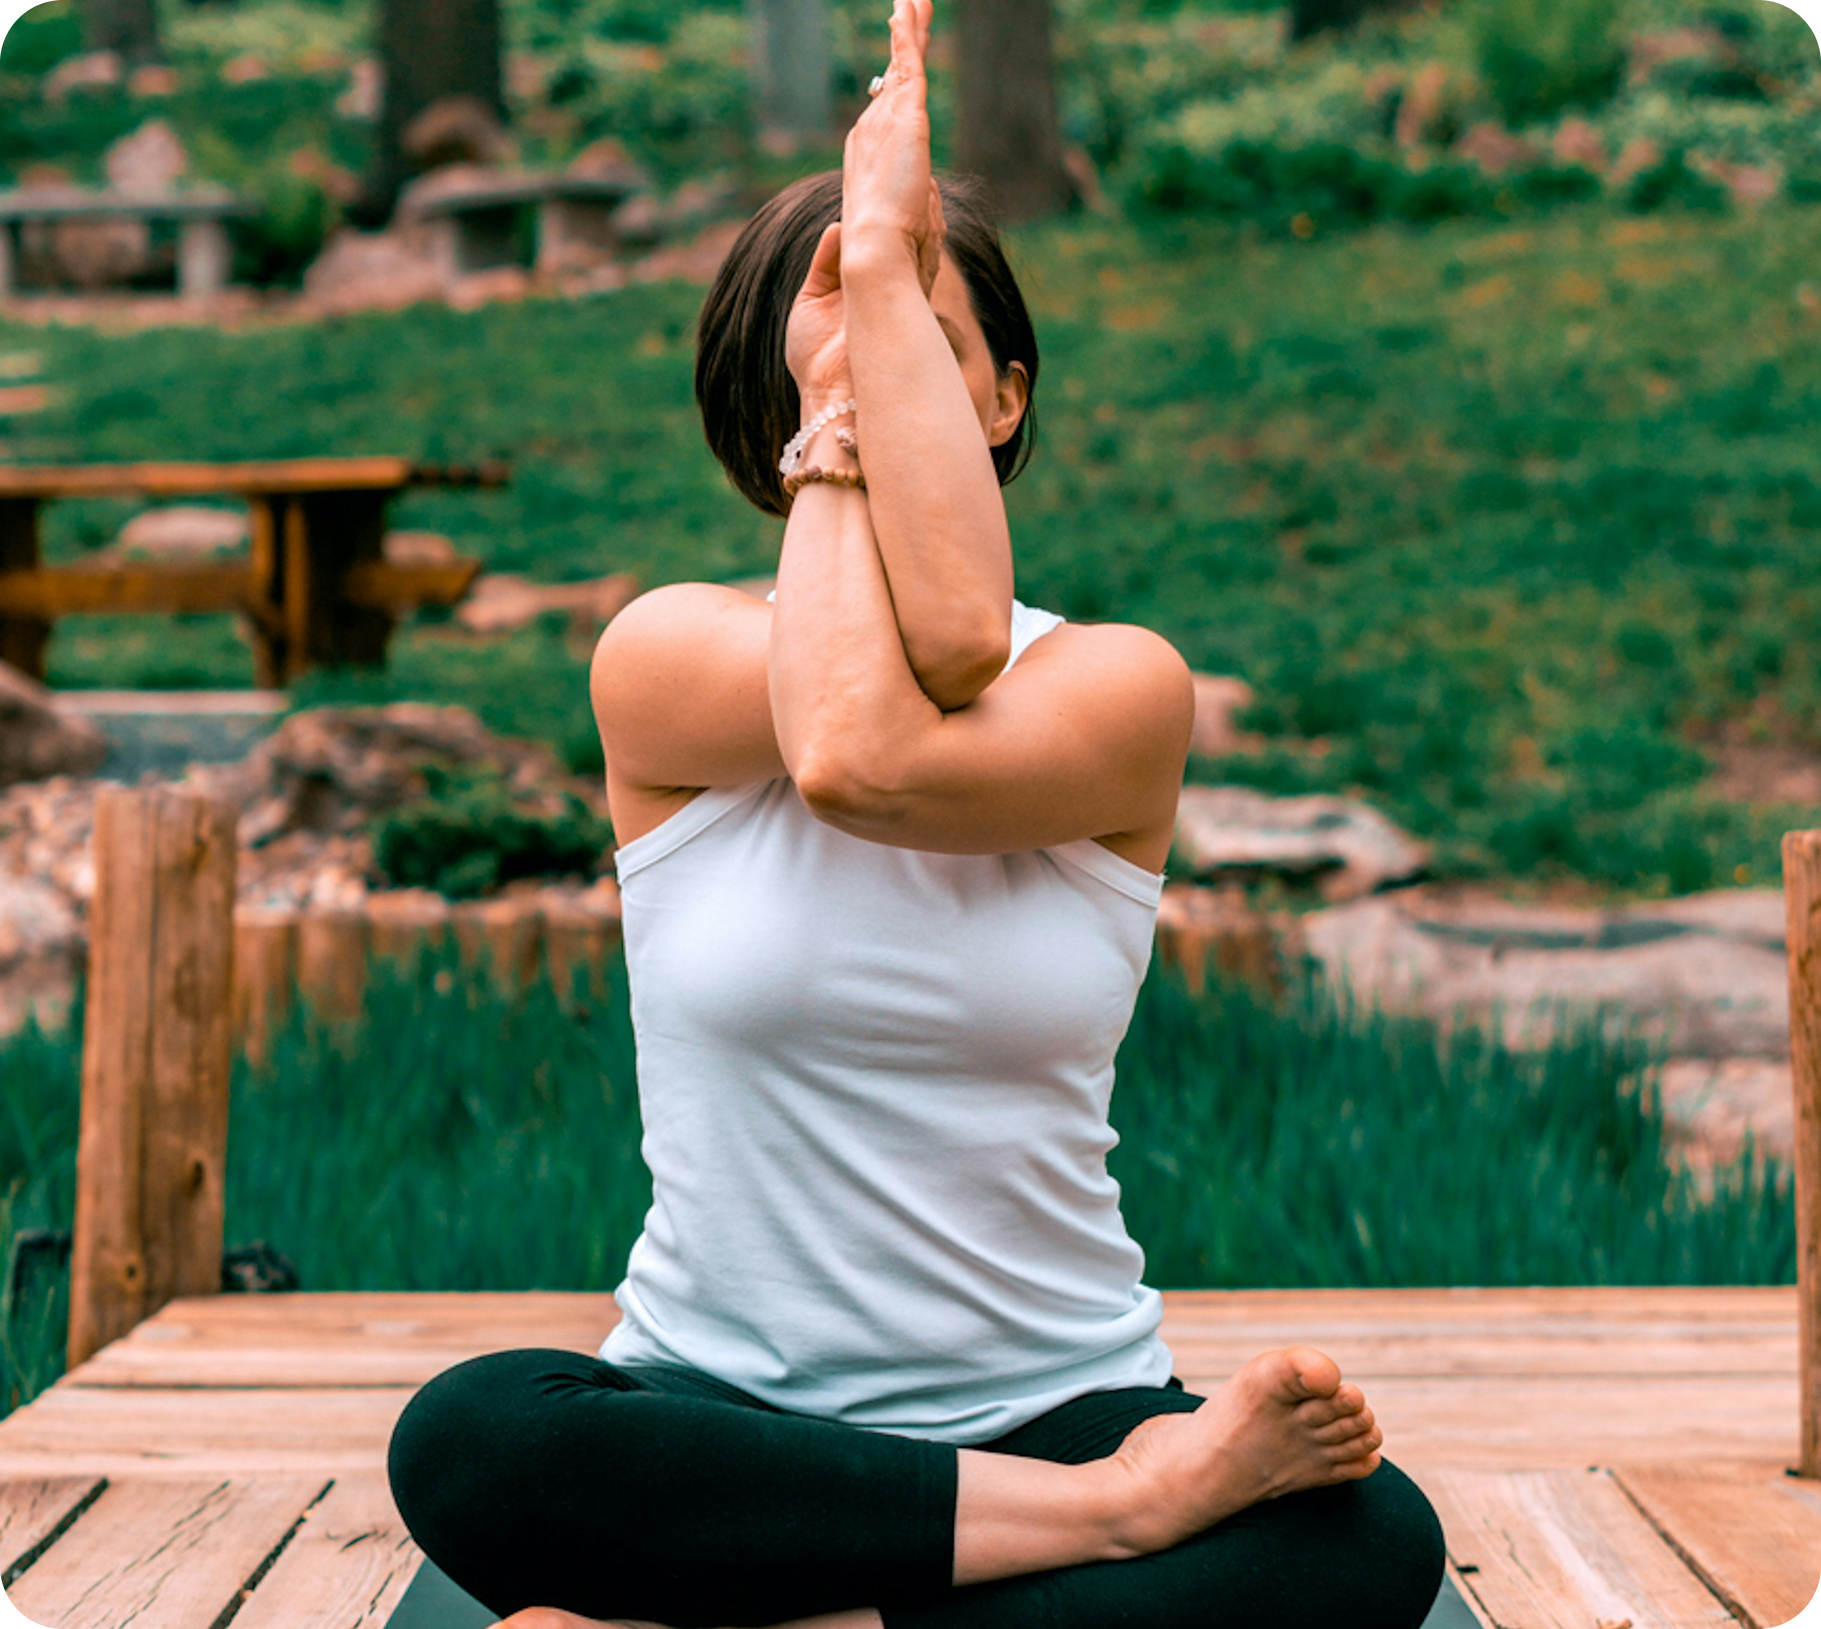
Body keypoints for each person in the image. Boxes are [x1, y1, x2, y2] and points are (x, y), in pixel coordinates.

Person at [387, 3, 1446, 1624]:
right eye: (831, 372)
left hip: (1054, 1395)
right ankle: (1094, 1528)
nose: (878, 406)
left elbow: (918, 703)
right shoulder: (666, 660)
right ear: (776, 425)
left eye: (923, 358)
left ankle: (804, 1585)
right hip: (719, 1406)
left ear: (1005, 400)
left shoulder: (1117, 691)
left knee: (1370, 1544)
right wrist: (869, 338)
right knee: (473, 1446)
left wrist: (877, 276)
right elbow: (846, 742)